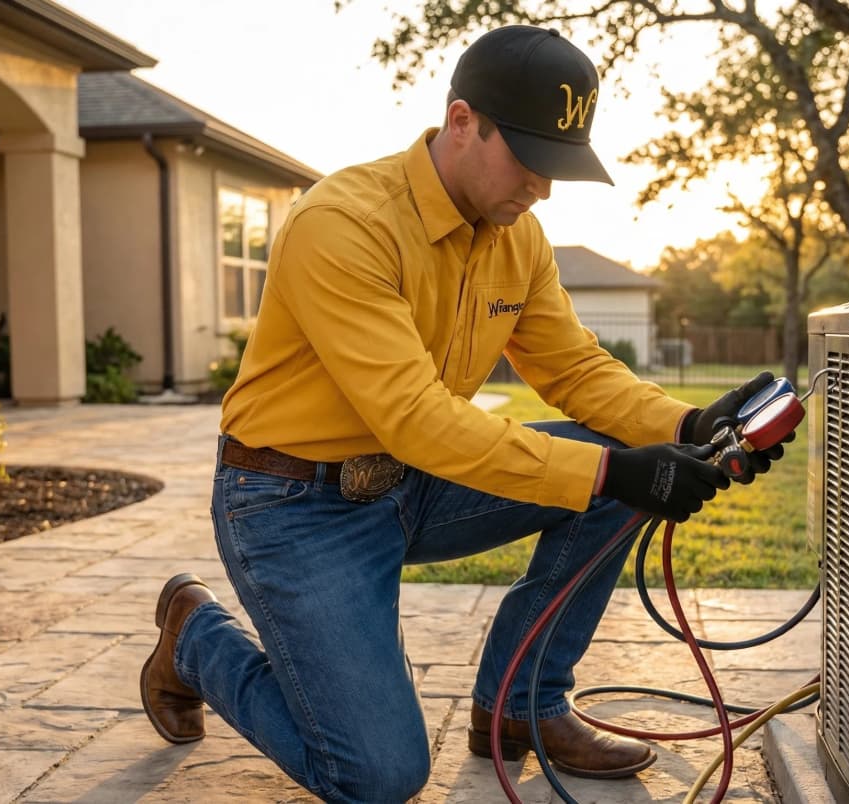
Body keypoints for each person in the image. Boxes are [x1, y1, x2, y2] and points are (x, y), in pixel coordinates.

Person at [138, 24, 785, 803]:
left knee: (616, 471)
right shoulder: (343, 224)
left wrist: (688, 426)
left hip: (416, 485)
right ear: (461, 122)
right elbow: (413, 415)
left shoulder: (520, 238)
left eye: (560, 166)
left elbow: (573, 367)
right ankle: (197, 642)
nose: (542, 188)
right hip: (291, 505)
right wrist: (615, 468)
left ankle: (521, 707)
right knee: (377, 776)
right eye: (531, 160)